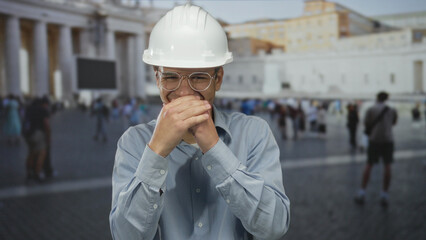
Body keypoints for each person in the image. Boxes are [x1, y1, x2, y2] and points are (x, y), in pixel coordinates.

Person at [110, 4, 290, 240]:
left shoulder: (254, 133)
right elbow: (125, 236)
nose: (184, 91)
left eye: (198, 77)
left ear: (218, 79)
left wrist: (214, 147)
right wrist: (156, 153)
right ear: (157, 78)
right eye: (171, 77)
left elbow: (273, 228)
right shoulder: (133, 142)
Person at [354, 91, 398, 207]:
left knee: (369, 165)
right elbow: (394, 122)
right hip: (388, 140)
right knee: (387, 166)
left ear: (377, 98)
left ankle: (362, 192)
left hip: (374, 140)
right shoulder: (392, 110)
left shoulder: (371, 109)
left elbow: (366, 124)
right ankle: (384, 194)